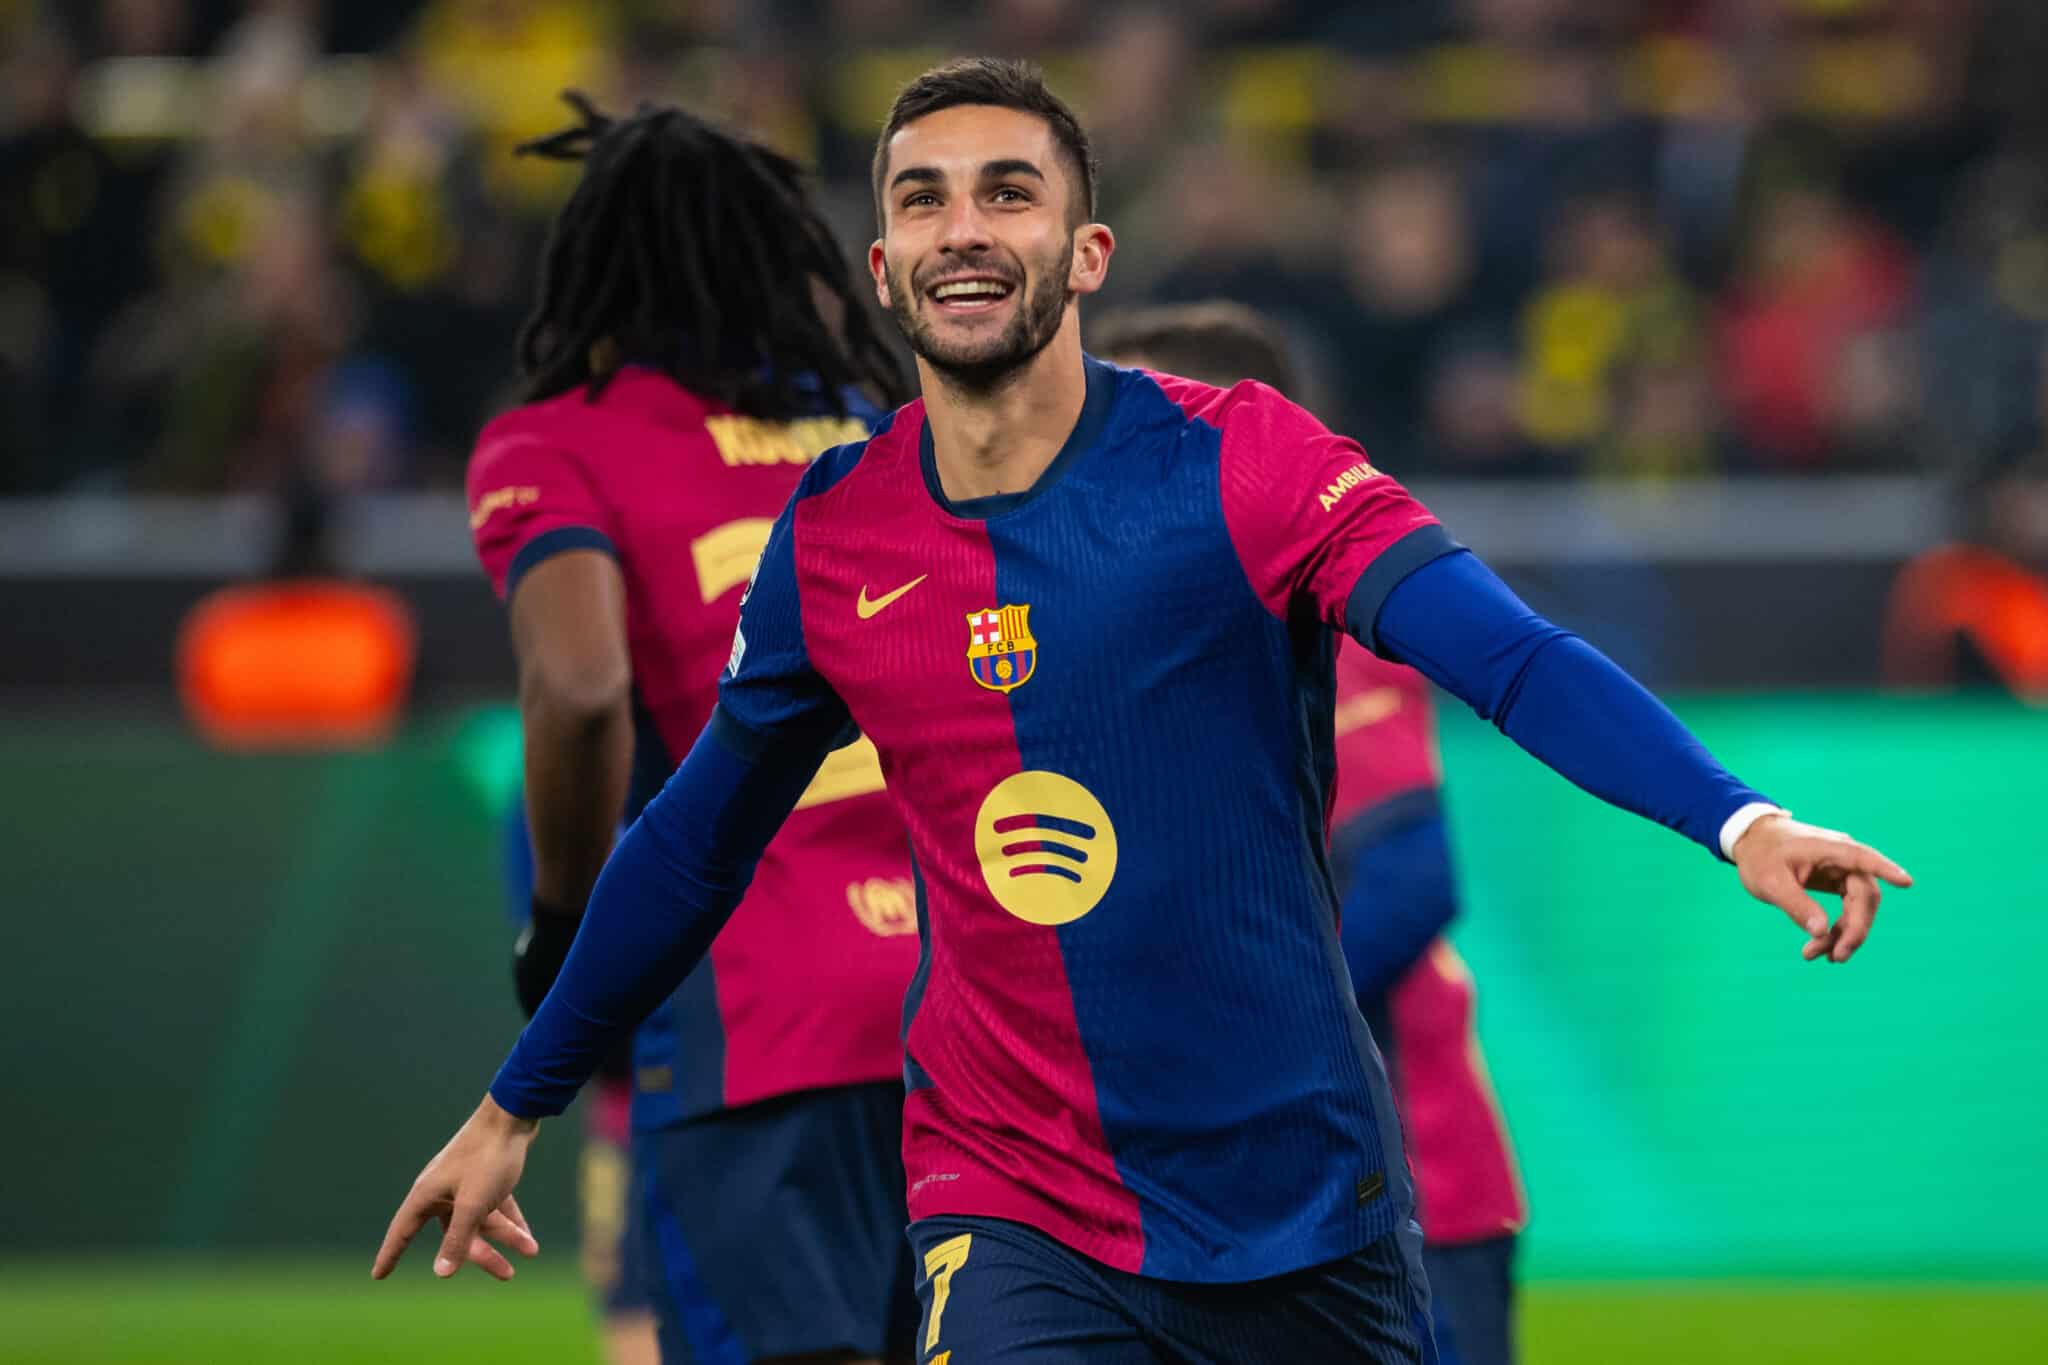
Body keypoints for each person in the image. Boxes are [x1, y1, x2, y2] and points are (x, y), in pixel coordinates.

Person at [376, 61, 1912, 1365]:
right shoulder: (834, 533)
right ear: (880, 268)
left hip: (1301, 1196)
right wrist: (522, 1095)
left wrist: (1740, 819)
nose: (963, 229)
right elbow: (699, 832)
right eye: (922, 200)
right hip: (1009, 1198)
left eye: (1008, 193)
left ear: (1088, 251)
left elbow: (1505, 657)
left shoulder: (1243, 460)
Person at [460, 93, 922, 1365]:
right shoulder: (884, 431)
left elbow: (582, 687)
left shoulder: (557, 441)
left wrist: (562, 932)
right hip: (960, 1014)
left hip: (749, 1022)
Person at [1090, 301, 1526, 1365]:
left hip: (1404, 1181)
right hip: (1230, 1189)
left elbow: (1413, 876)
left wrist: (1224, 1003)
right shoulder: (1132, 637)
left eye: (1127, 414)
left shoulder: (1321, 621)